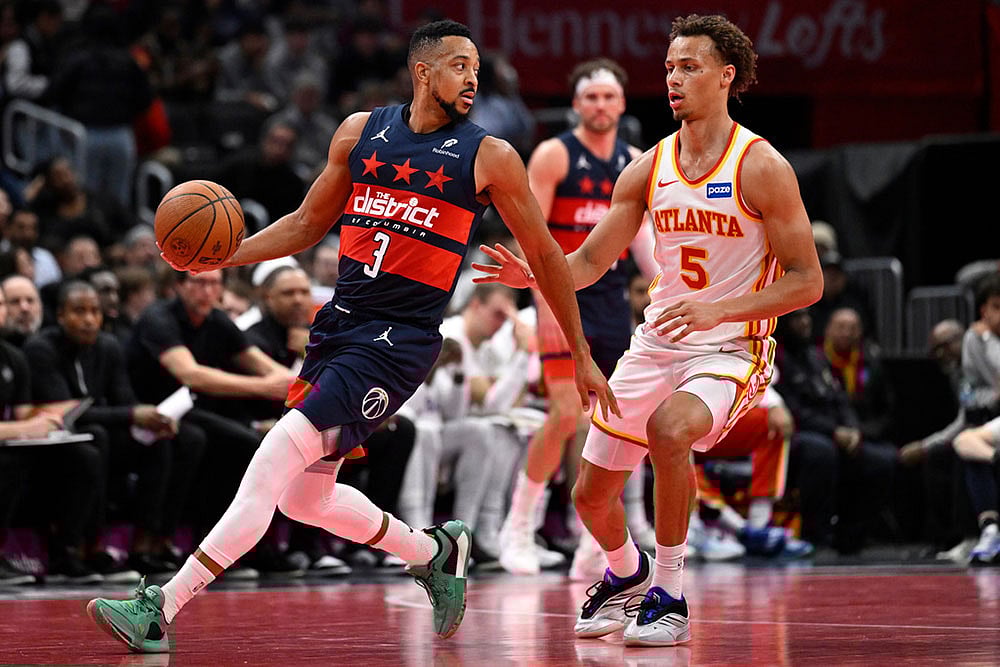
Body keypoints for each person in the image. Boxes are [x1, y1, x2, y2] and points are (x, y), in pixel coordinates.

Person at [87, 19, 615, 653]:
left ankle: (160, 608)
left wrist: (581, 353)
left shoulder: (489, 156)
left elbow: (549, 257)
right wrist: (220, 258)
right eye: (459, 65)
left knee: (274, 461)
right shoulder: (361, 132)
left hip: (398, 342)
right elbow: (310, 222)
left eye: (476, 67)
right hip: (339, 324)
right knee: (306, 501)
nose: (474, 78)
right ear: (424, 72)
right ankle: (432, 551)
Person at [474, 14, 822, 645]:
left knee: (670, 429)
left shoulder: (761, 165)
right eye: (669, 67)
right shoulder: (646, 168)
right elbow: (584, 265)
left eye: (689, 66)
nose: (674, 78)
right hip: (658, 341)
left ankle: (671, 594)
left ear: (727, 76)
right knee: (589, 497)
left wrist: (723, 309)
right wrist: (533, 276)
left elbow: (807, 281)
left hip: (730, 346)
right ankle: (626, 575)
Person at [496, 58, 656, 576]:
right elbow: (531, 236)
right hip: (560, 296)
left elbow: (647, 245)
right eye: (591, 97)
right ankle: (517, 527)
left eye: (609, 97)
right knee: (566, 413)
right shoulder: (552, 155)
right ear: (576, 104)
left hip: (611, 302)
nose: (601, 106)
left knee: (618, 423)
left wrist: (665, 294)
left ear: (623, 103)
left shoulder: (634, 161)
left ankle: (598, 540)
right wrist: (541, 303)